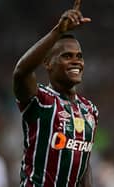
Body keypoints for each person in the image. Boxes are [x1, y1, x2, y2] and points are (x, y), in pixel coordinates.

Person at [13, 3, 98, 187]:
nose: (76, 61)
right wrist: (57, 32)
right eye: (67, 56)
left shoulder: (90, 110)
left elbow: (82, 165)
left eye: (79, 56)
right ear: (48, 63)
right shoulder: (40, 100)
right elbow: (21, 72)